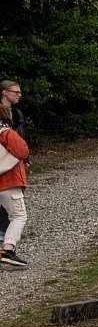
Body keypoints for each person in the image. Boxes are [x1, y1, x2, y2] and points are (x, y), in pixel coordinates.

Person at [0, 87, 30, 267]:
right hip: (8, 181)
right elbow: (22, 151)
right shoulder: (7, 133)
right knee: (19, 216)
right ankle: (8, 249)